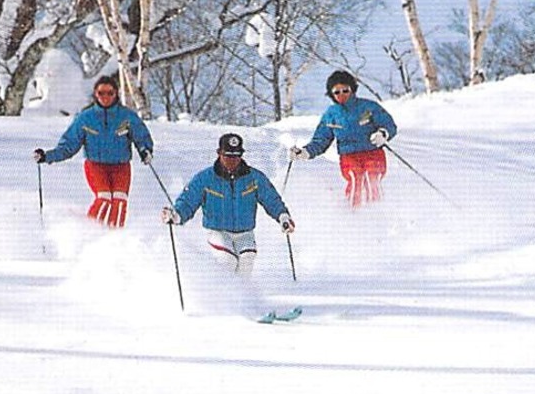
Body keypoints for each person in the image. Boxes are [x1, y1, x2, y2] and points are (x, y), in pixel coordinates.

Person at [161, 132, 295, 275]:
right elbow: (188, 201)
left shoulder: (254, 178)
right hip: (218, 230)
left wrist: (283, 217)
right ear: (219, 154)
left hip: (245, 232)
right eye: (228, 156)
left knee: (247, 259)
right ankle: (221, 293)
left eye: (236, 156)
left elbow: (271, 199)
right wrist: (176, 215)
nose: (232, 160)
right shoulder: (205, 178)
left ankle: (243, 294)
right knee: (227, 260)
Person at [33, 75, 153, 228]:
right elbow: (69, 145)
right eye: (101, 93)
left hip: (121, 167)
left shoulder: (127, 117)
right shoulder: (86, 118)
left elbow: (142, 137)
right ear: (95, 94)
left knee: (119, 201)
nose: (105, 97)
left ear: (116, 94)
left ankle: (114, 239)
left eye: (110, 93)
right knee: (104, 198)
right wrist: (47, 156)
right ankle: (88, 232)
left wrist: (145, 151)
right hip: (96, 166)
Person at [289, 69, 398, 207]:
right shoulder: (331, 114)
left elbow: (389, 124)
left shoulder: (368, 107)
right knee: (355, 177)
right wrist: (306, 152)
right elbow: (321, 140)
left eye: (345, 90)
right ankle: (353, 214)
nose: (341, 95)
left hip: (373, 152)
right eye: (337, 92)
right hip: (349, 156)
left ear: (352, 89)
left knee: (372, 177)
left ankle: (377, 210)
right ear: (331, 94)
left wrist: (383, 133)